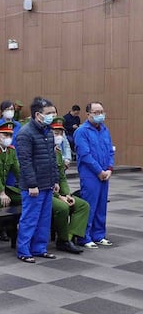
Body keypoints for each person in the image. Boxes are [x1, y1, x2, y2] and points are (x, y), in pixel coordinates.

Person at [14, 96, 59, 263]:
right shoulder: (25, 134)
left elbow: (52, 159)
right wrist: (32, 184)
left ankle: (39, 248)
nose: (52, 116)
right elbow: (25, 162)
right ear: (38, 114)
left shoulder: (48, 131)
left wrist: (55, 180)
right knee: (30, 218)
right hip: (33, 186)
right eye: (49, 113)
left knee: (44, 219)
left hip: (47, 183)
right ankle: (23, 250)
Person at [74, 101, 114, 249]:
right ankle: (84, 236)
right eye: (96, 112)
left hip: (104, 173)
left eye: (101, 111)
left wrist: (109, 168)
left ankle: (99, 235)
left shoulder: (104, 130)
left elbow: (110, 150)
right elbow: (85, 155)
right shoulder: (82, 131)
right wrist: (99, 171)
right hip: (90, 174)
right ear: (88, 114)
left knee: (101, 206)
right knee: (89, 206)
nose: (100, 115)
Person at [50, 117, 89, 254]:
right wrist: (58, 197)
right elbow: (41, 179)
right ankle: (63, 239)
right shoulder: (43, 152)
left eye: (61, 133)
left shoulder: (58, 152)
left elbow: (62, 177)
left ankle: (68, 238)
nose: (59, 136)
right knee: (63, 207)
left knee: (83, 205)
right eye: (55, 133)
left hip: (59, 192)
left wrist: (66, 194)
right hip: (45, 193)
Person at [0, 122, 22, 207]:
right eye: (5, 135)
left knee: (26, 198)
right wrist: (2, 192)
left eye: (10, 135)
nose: (8, 138)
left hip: (4, 188)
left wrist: (29, 186)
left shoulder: (11, 151)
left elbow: (18, 171)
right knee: (0, 203)